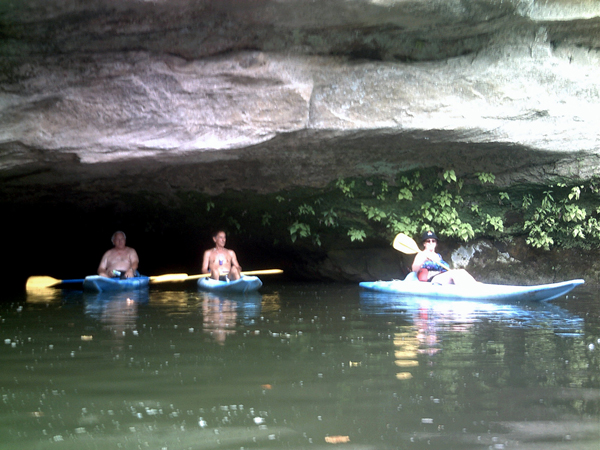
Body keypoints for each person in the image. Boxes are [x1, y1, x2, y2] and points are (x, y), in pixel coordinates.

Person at [411, 230, 476, 285]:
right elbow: (414, 270)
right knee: (454, 274)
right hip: (431, 280)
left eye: (433, 241)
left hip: (442, 277)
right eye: (428, 241)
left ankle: (475, 285)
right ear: (424, 244)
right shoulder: (421, 254)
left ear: (436, 243)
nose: (431, 243)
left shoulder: (438, 256)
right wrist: (423, 260)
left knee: (461, 271)